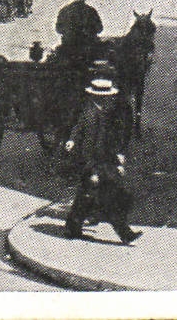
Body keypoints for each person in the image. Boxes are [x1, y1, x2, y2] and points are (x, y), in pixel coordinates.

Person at [63, 77, 141, 244]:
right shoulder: (87, 111)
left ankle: (73, 227)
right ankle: (124, 232)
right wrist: (72, 140)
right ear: (96, 96)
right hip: (87, 159)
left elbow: (115, 138)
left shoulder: (110, 113)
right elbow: (78, 127)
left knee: (90, 194)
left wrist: (118, 157)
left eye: (108, 97)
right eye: (104, 97)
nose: (108, 99)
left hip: (103, 159)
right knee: (100, 193)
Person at [53, 0, 104, 68]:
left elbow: (58, 29)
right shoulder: (91, 11)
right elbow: (99, 29)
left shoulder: (64, 10)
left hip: (68, 47)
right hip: (87, 50)